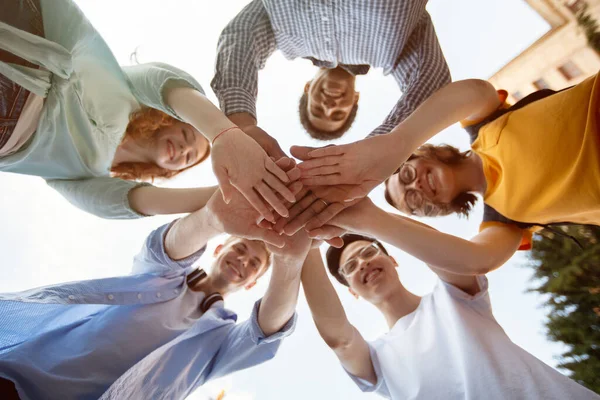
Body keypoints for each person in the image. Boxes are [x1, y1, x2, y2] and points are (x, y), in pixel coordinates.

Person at [0, 159, 310, 400]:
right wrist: (210, 220)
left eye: (255, 263)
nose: (243, 260)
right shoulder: (163, 277)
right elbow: (166, 249)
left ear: (253, 282)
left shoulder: (221, 340)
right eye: (241, 248)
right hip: (20, 378)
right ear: (219, 248)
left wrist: (288, 262)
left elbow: (267, 331)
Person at [1, 0, 295, 222]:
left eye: (188, 158)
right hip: (29, 32)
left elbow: (133, 202)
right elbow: (164, 84)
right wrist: (223, 134)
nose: (182, 149)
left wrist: (236, 197)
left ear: (169, 171)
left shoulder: (89, 177)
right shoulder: (129, 91)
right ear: (166, 120)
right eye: (185, 134)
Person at [291, 73, 600, 272]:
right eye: (413, 201)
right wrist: (365, 219)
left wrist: (396, 143)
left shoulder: (486, 123)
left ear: (421, 154)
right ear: (434, 213)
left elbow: (476, 92)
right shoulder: (505, 221)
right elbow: (475, 260)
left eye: (407, 175)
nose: (418, 188)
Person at [300, 199, 600, 399]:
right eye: (350, 267)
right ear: (351, 290)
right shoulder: (377, 359)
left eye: (368, 252)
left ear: (393, 260)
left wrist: (365, 218)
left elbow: (446, 254)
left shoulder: (452, 295)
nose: (362, 263)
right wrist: (307, 245)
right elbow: (340, 340)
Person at [211, 0, 450, 158]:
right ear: (355, 99)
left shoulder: (283, 38)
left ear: (307, 88)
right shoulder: (392, 52)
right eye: (338, 114)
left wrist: (241, 126)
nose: (329, 106)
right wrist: (378, 148)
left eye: (317, 109)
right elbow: (437, 92)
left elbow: (240, 37)